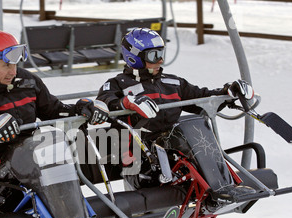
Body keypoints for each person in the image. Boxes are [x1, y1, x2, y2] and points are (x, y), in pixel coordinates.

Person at [0, 30, 109, 212]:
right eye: (6, 65)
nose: (13, 71)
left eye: (16, 64)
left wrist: (81, 109)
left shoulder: (27, 81)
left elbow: (54, 112)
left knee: (53, 143)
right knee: (29, 150)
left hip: (32, 171)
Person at [96, 27, 255, 201]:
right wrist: (127, 103)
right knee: (183, 132)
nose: (160, 60)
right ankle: (218, 190)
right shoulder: (118, 85)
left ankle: (222, 187)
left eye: (161, 53)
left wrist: (227, 93)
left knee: (194, 124)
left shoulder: (172, 82)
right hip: (141, 164)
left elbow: (202, 99)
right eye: (153, 56)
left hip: (174, 160)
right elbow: (104, 102)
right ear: (134, 57)